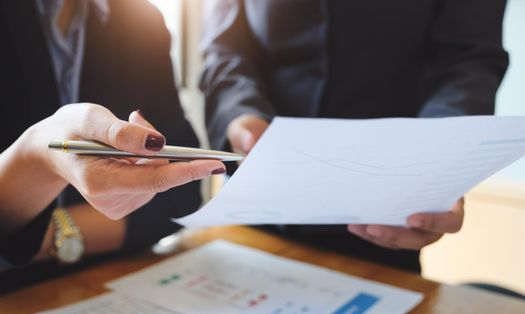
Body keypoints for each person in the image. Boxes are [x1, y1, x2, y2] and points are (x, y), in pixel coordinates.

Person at [200, 0, 508, 272]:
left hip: (384, 217)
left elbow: (468, 60)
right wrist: (240, 114)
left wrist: (439, 155)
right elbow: (224, 48)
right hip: (256, 204)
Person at [0, 0, 225, 269]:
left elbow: (181, 197)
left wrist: (34, 238)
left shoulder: (143, 21)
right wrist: (34, 158)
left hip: (114, 274)